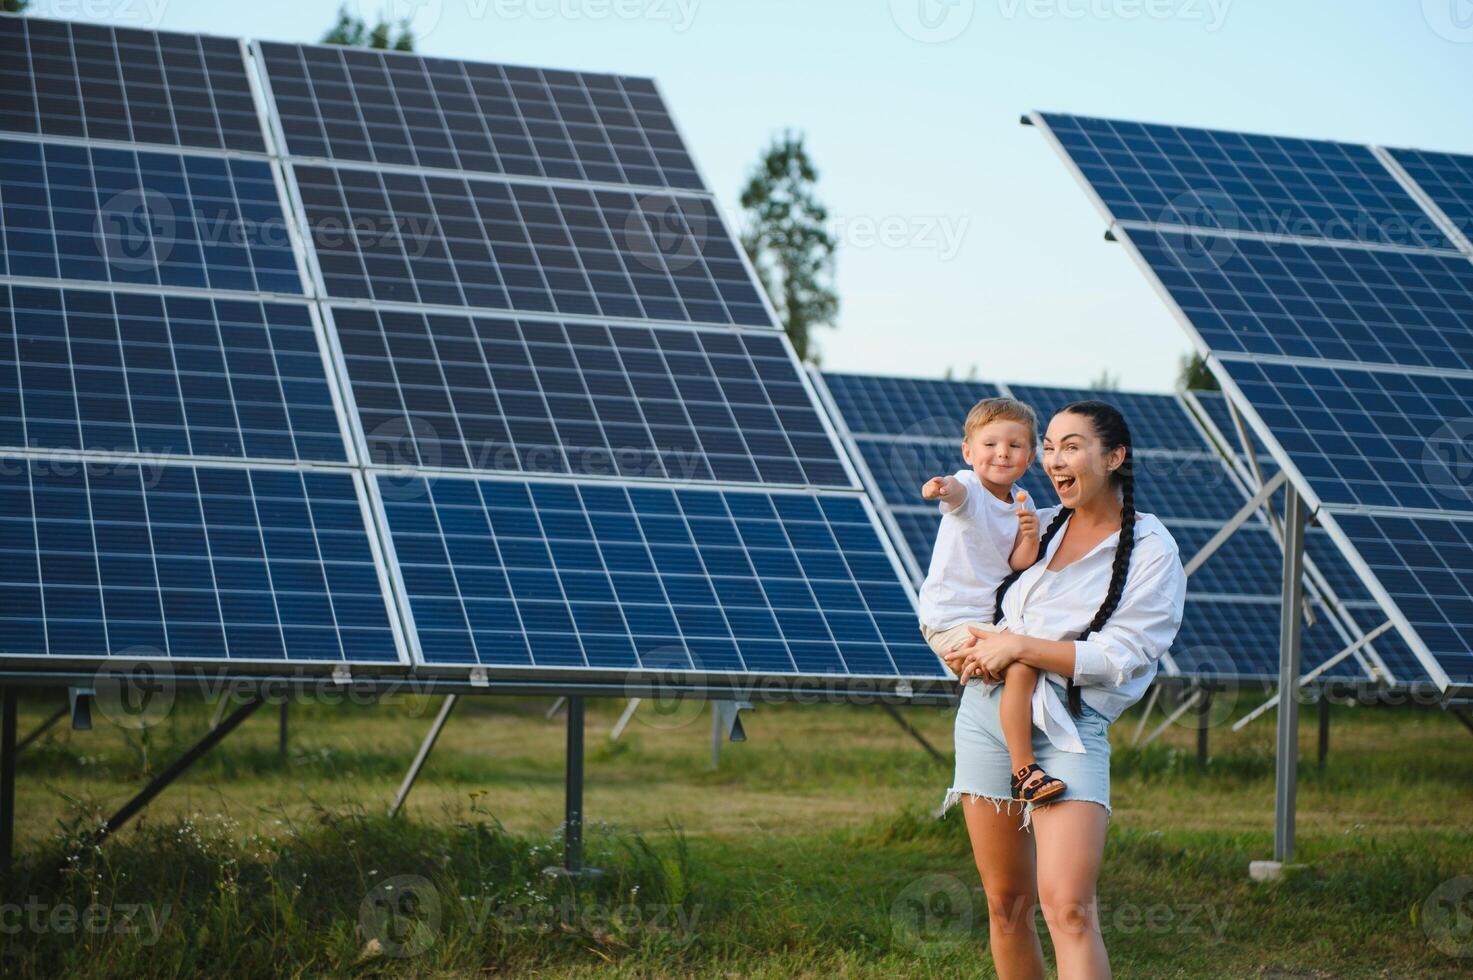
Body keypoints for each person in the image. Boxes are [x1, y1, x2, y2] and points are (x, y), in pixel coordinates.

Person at [939, 400, 1186, 979]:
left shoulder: (1151, 548)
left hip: (1071, 730)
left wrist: (1020, 648)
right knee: (1007, 906)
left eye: (1070, 445)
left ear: (1116, 456)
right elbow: (969, 587)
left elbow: (1122, 655)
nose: (1052, 459)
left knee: (1069, 909)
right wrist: (963, 648)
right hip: (985, 718)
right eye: (1048, 446)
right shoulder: (1037, 524)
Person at [916, 396, 1067, 804]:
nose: (1002, 453)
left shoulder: (1023, 502)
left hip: (986, 620)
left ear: (1030, 456)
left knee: (1024, 662)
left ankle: (1017, 766)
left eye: (1015, 446)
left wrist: (1031, 535)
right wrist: (940, 487)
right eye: (990, 444)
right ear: (968, 452)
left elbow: (1019, 562)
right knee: (1021, 665)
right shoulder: (969, 487)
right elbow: (956, 494)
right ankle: (1024, 769)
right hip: (950, 617)